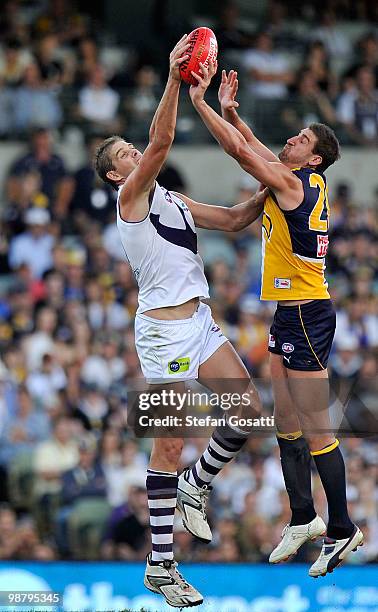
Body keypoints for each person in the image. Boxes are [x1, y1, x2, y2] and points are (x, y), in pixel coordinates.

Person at [95, 36, 267, 608]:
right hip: (164, 333)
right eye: (123, 152)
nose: (131, 154)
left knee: (247, 413)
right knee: (169, 443)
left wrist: (279, 179)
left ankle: (197, 484)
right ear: (116, 174)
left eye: (129, 149)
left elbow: (239, 219)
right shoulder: (130, 200)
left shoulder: (174, 200)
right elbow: (162, 139)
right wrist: (173, 80)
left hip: (199, 322)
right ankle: (161, 565)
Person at [188, 61, 363, 578]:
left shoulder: (295, 186)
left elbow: (244, 155)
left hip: (308, 314)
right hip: (290, 316)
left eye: (301, 137)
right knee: (285, 421)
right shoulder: (300, 179)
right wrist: (232, 112)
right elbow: (259, 151)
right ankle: (303, 517)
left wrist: (200, 105)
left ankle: (342, 527)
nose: (291, 138)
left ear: (315, 157)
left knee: (315, 427)